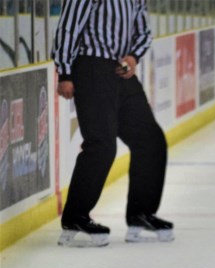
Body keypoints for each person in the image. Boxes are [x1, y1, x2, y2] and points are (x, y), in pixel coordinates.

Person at [52, 0, 172, 247]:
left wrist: (134, 56)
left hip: (121, 71)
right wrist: (65, 73)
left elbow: (144, 32)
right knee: (102, 145)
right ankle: (75, 216)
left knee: (150, 140)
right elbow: (68, 27)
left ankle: (141, 214)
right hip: (91, 68)